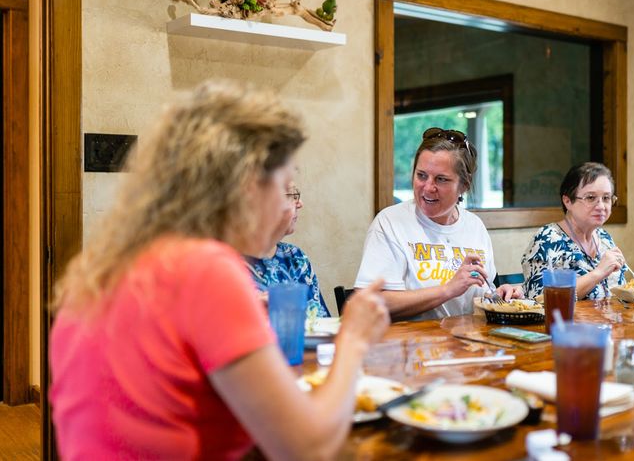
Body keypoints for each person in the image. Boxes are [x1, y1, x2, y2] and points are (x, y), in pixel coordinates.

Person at [49, 80, 389, 461]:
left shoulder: (105, 268)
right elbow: (308, 450)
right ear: (248, 188)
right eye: (284, 186)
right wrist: (353, 339)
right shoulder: (206, 270)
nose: (288, 205)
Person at [354, 127, 522, 321]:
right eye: (421, 175)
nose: (428, 187)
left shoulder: (475, 226)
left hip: (468, 338)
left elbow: (481, 293)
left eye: (441, 179)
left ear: (464, 185)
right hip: (411, 339)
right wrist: (447, 290)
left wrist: (499, 296)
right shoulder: (390, 223)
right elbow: (369, 302)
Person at [521, 162, 628, 300]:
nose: (601, 206)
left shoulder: (604, 238)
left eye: (606, 198)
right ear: (568, 201)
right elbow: (541, 300)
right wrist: (598, 273)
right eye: (591, 198)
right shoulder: (548, 240)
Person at [243, 181, 331, 318]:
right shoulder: (226, 264)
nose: (299, 203)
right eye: (290, 195)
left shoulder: (296, 257)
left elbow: (321, 321)